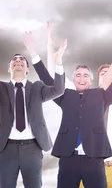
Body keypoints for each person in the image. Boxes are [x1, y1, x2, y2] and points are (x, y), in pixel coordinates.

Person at [37, 32, 112, 188]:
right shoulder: (65, 95)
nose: (82, 78)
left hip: (94, 158)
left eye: (86, 75)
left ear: (91, 80)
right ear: (73, 80)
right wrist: (36, 56)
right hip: (68, 158)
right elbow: (47, 80)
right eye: (78, 75)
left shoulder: (101, 96)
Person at [0, 31, 66, 188]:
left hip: (33, 148)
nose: (18, 61)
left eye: (22, 59)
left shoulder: (37, 88)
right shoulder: (1, 88)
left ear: (27, 69)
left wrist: (58, 60)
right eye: (14, 60)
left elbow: (58, 90)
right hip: (6, 148)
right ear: (9, 69)